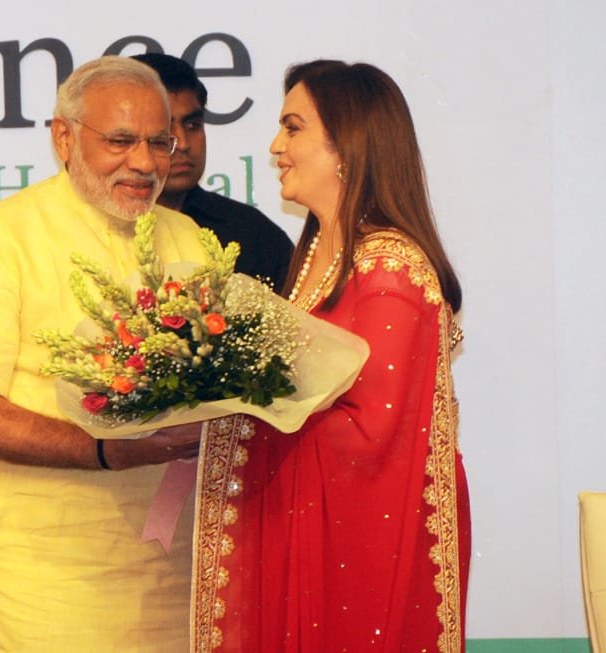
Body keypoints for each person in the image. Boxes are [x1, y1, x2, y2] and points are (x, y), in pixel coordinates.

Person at [0, 56, 207, 652]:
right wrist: (104, 451)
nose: (145, 163)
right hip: (36, 569)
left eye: (159, 142)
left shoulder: (187, 240)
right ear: (63, 137)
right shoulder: (2, 236)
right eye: (121, 141)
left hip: (170, 564)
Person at [191, 60, 471, 652]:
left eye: (292, 128)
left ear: (346, 145)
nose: (275, 147)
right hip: (305, 527)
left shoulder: (390, 268)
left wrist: (246, 414)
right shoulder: (317, 252)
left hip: (362, 540)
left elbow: (377, 437)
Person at [132, 52, 294, 293]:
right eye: (164, 129)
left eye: (193, 125)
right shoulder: (101, 230)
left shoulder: (253, 234)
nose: (184, 143)